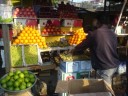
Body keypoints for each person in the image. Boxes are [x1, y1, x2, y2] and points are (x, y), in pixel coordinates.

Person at [72, 14, 120, 85]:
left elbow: (81, 46)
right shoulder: (112, 33)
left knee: (105, 90)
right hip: (114, 64)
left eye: (94, 20)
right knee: (103, 86)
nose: (92, 22)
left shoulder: (94, 34)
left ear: (98, 22)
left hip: (105, 67)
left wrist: (73, 49)